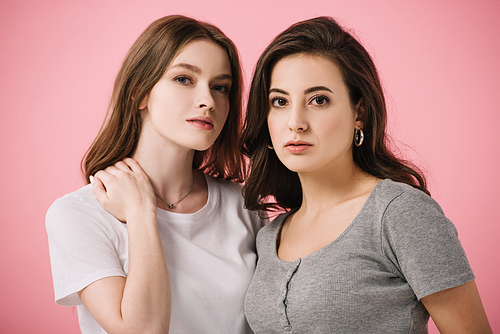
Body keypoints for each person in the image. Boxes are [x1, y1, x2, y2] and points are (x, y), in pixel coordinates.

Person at [240, 16, 492, 333]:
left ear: (358, 113)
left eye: (318, 100)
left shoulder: (400, 214)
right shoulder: (269, 235)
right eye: (279, 102)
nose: (295, 122)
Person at [46, 15, 262, 334]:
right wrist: (140, 214)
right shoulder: (79, 215)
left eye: (220, 87)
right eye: (184, 79)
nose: (208, 101)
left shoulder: (243, 206)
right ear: (139, 92)